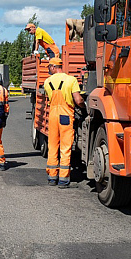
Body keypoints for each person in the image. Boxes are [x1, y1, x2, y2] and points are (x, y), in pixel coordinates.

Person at [43, 57, 85, 188]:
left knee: (53, 146)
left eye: (49, 67)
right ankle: (63, 178)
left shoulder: (47, 82)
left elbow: (48, 98)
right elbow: (78, 100)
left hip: (53, 115)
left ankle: (52, 177)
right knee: (65, 147)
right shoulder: (71, 80)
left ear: (54, 67)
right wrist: (84, 107)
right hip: (65, 116)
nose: (49, 69)